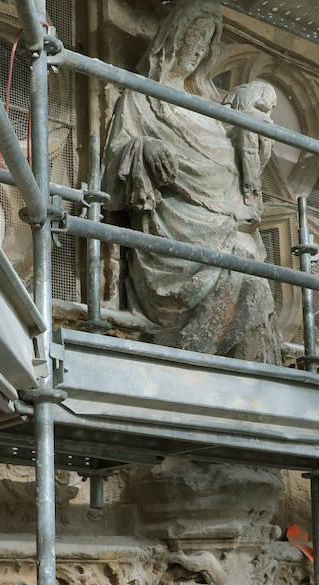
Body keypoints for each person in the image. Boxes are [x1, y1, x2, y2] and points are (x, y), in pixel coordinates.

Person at [102, 0, 282, 363]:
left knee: (252, 280)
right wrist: (145, 149)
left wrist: (257, 118)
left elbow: (247, 166)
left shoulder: (214, 108)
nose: (197, 50)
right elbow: (111, 175)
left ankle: (250, 390)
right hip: (175, 235)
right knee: (246, 275)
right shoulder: (144, 99)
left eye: (205, 44)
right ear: (173, 41)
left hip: (228, 227)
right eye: (192, 39)